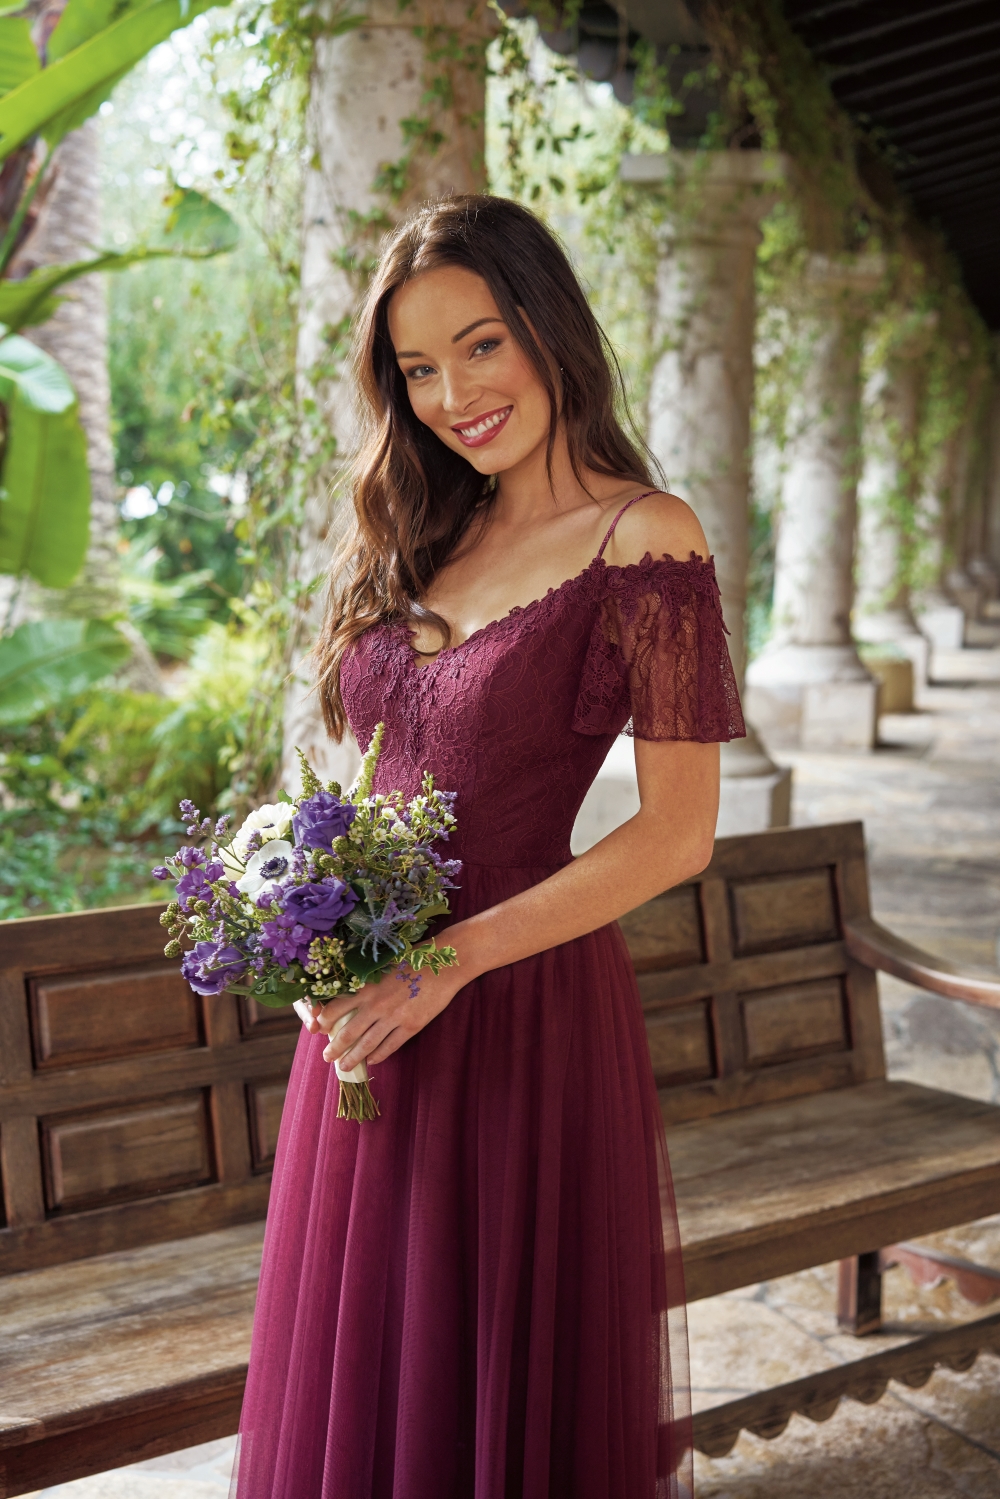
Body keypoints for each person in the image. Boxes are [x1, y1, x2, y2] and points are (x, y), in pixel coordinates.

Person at [232, 194, 745, 1499]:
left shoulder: (649, 536)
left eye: (479, 345)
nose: (452, 393)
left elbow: (680, 833)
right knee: (370, 1382)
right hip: (372, 1008)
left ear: (544, 326)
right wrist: (315, 926)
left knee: (494, 1389)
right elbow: (376, 774)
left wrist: (446, 962)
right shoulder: (432, 529)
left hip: (513, 1005)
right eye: (417, 368)